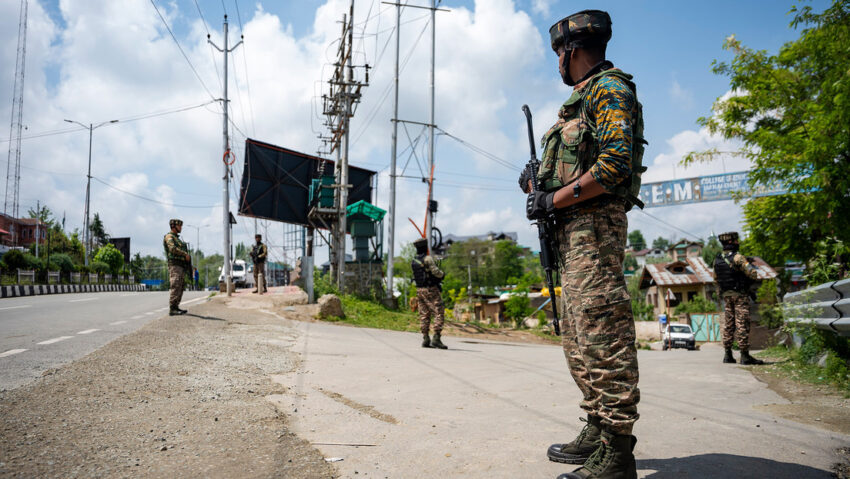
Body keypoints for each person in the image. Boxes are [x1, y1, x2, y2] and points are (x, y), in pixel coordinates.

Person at [521, 9, 644, 479]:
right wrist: (537, 185)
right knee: (578, 337)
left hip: (594, 232)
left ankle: (618, 450)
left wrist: (555, 196)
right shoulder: (577, 102)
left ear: (571, 52)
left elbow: (614, 166)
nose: (557, 62)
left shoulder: (609, 89)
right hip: (571, 235)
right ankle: (597, 423)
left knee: (602, 333)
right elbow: (572, 167)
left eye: (558, 53)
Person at [713, 232, 763, 365]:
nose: (738, 242)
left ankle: (728, 354)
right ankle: (744, 356)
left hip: (726, 296)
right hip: (740, 295)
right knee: (742, 323)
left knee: (729, 325)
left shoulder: (717, 260)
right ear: (731, 242)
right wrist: (749, 266)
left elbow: (716, 279)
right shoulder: (738, 258)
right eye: (736, 240)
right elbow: (753, 275)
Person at [410, 237, 447, 350]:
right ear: (425, 247)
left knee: (424, 314)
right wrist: (442, 274)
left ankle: (426, 338)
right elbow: (435, 271)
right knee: (438, 312)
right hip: (430, 290)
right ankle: (436, 338)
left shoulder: (414, 261)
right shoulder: (427, 259)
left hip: (419, 290)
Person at [163, 219, 191, 315]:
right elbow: (172, 249)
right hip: (175, 265)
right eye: (179, 226)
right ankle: (172, 308)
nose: (181, 228)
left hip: (181, 265)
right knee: (175, 285)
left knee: (181, 286)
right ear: (174, 226)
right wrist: (184, 254)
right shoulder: (169, 237)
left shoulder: (177, 238)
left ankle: (176, 306)